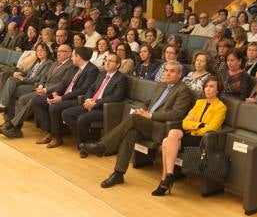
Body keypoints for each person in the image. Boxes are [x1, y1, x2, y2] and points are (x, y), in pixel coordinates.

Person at [80, 60, 196, 188]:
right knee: (131, 133)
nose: (167, 73)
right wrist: (142, 109)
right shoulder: (161, 85)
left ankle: (102, 145)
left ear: (179, 75)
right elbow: (149, 102)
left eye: (172, 71)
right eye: (166, 70)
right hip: (146, 123)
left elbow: (176, 114)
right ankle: (118, 174)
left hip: (161, 128)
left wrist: (151, 115)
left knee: (134, 119)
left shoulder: (183, 90)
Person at [155, 77, 227, 196]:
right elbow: (184, 123)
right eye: (206, 86)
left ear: (218, 90)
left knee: (166, 142)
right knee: (172, 133)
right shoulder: (199, 103)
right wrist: (200, 125)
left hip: (202, 140)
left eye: (211, 87)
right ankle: (169, 175)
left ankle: (165, 179)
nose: (208, 89)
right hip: (190, 134)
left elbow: (211, 128)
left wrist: (194, 127)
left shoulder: (221, 107)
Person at [0, 41, 53, 117]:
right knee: (11, 80)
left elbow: (38, 78)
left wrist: (23, 79)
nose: (39, 52)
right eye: (37, 51)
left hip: (34, 85)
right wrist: (20, 73)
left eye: (42, 50)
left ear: (47, 52)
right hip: (27, 81)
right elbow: (28, 71)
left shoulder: (49, 63)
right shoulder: (37, 61)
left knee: (12, 91)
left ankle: (7, 117)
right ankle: (3, 106)